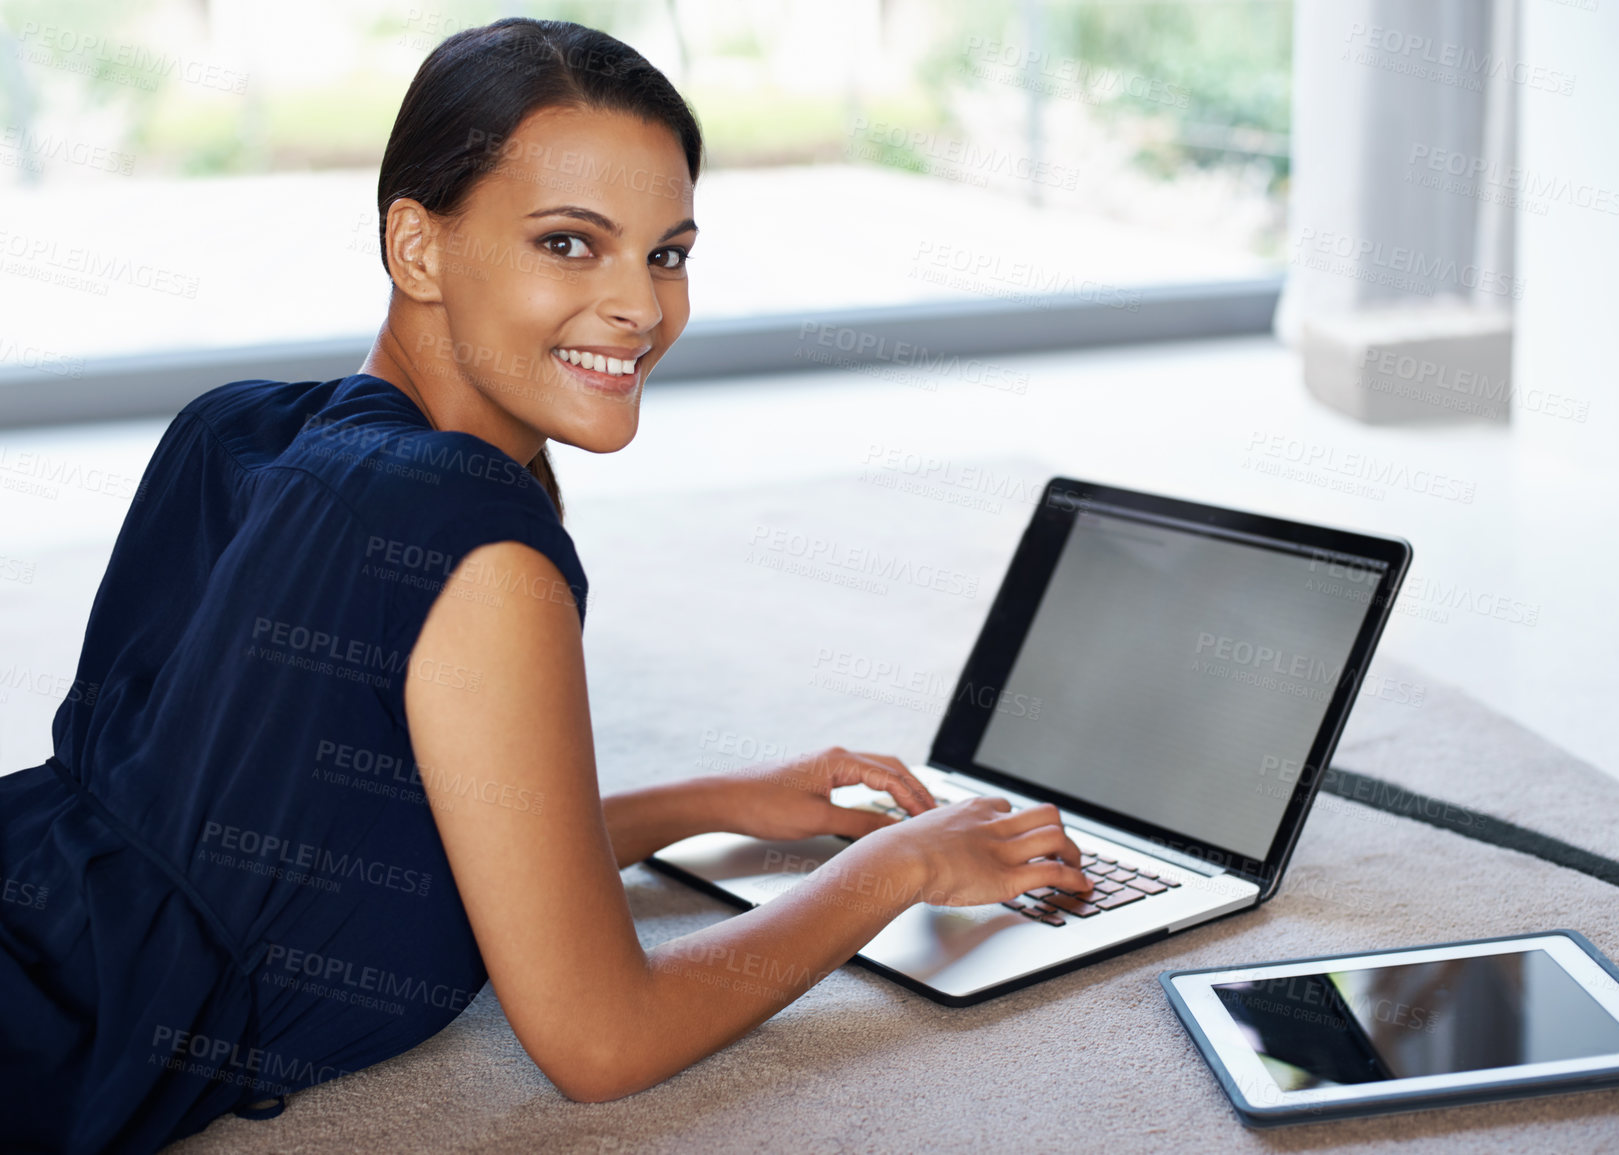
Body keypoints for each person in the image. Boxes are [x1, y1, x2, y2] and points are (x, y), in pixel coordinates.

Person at [0, 19, 1090, 1153]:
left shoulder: (232, 429)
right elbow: (602, 1040)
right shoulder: (474, 542)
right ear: (417, 247)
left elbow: (313, 842)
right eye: (572, 243)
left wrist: (709, 802)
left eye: (666, 253)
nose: (641, 307)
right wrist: (901, 862)